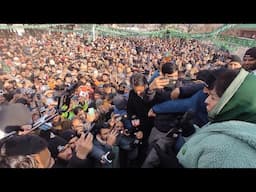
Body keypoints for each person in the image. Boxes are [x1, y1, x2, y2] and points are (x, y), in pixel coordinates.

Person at [158, 68, 256, 168]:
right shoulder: (228, 123)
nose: (206, 100)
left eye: (213, 97)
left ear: (233, 104)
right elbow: (210, 142)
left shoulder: (229, 154)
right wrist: (190, 132)